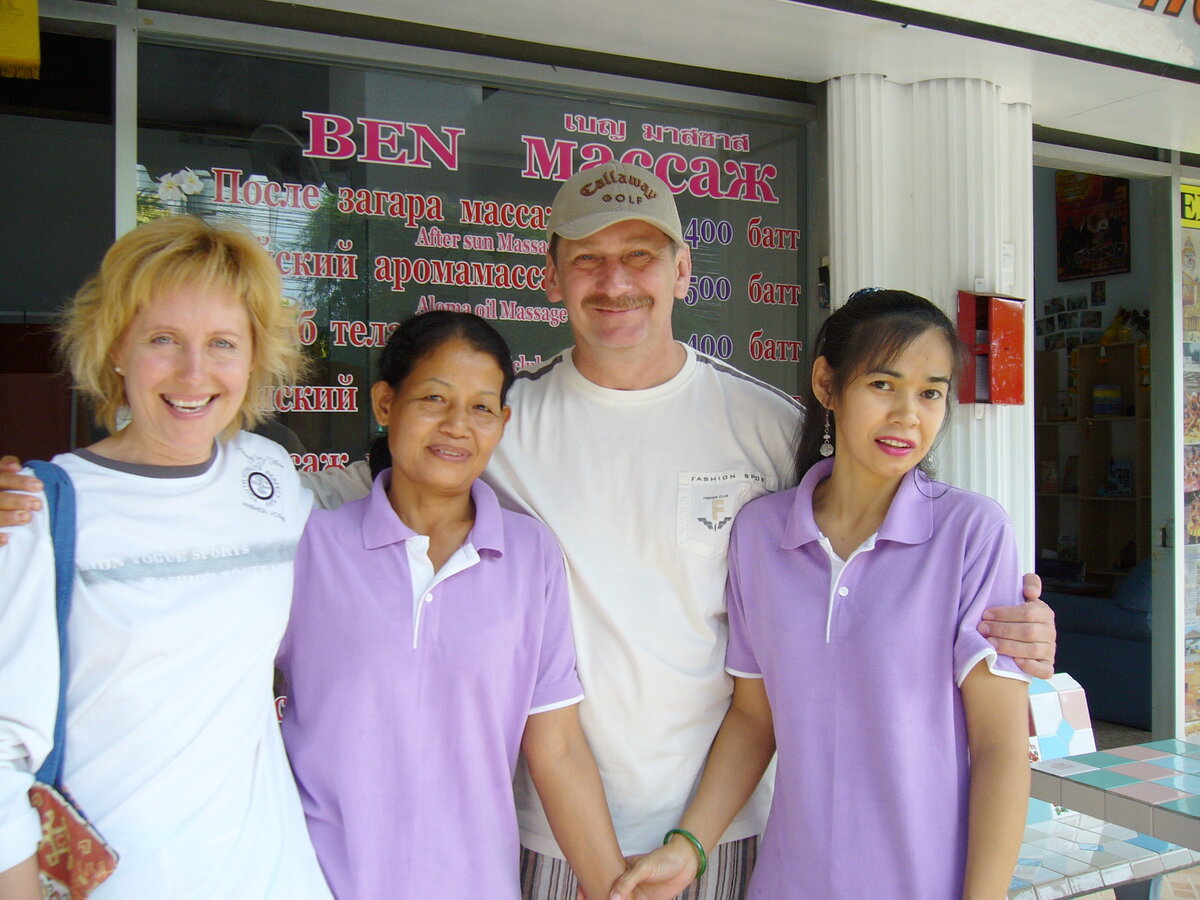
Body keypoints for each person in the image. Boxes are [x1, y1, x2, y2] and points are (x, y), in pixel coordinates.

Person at [0, 164, 1057, 900]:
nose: (615, 280)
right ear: (550, 279)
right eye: (586, 260)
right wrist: (44, 497)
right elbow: (324, 513)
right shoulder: (504, 421)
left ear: (685, 272)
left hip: (729, 835)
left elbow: (879, 529)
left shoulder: (771, 427)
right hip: (541, 842)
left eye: (641, 254)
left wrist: (1013, 623)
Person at [612, 289, 1031, 900]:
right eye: (883, 385)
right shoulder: (761, 534)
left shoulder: (972, 533)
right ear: (827, 385)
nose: (908, 415)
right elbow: (756, 721)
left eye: (931, 392)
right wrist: (688, 847)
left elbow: (999, 746)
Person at [0, 216, 332, 899]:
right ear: (116, 347)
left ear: (253, 356)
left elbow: (366, 538)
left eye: (221, 344)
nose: (194, 373)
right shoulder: (41, 510)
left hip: (272, 877)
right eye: (163, 340)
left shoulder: (268, 477)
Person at [277, 310, 630, 899]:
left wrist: (610, 888)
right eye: (434, 399)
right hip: (318, 881)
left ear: (503, 422)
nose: (457, 426)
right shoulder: (313, 546)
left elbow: (558, 748)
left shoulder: (528, 556)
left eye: (482, 407)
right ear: (385, 404)